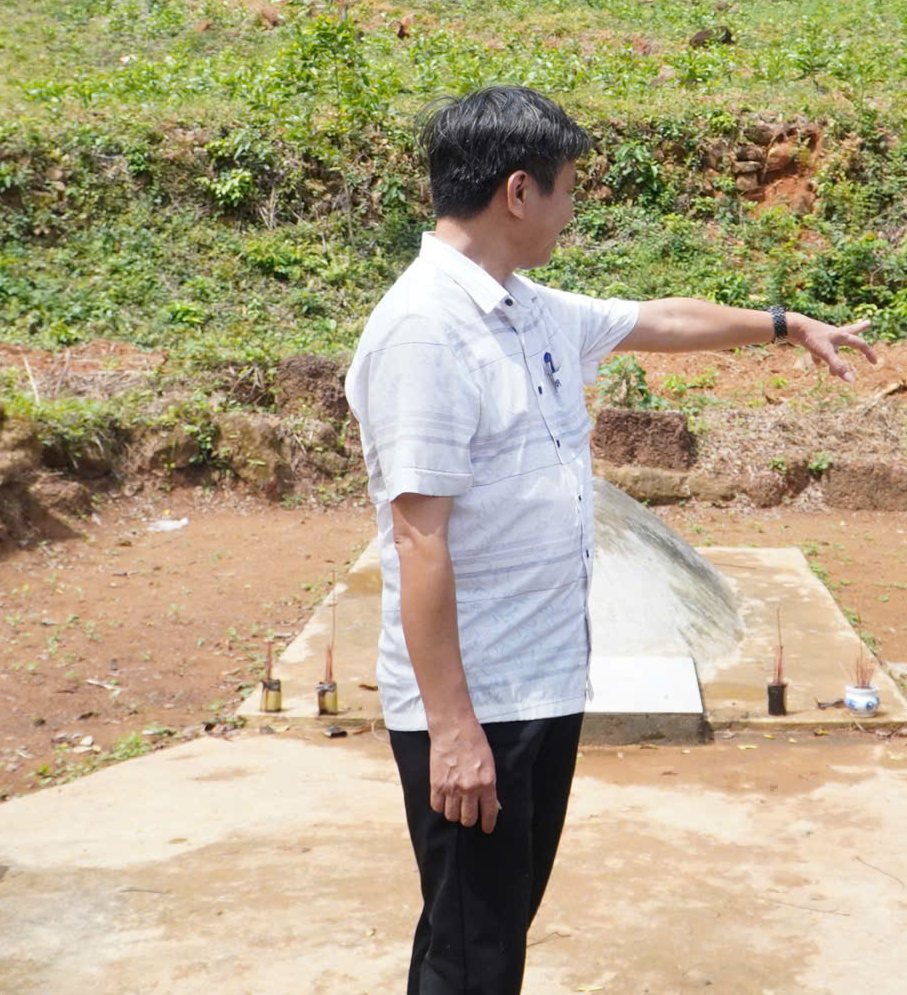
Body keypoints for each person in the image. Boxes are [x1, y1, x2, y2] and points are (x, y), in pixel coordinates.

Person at [347, 84, 878, 995]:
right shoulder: (425, 333)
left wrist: (789, 328)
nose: (572, 209)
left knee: (483, 930)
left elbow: (660, 320)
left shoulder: (529, 308)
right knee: (474, 950)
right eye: (566, 189)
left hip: (542, 684)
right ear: (520, 192)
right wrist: (454, 730)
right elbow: (418, 541)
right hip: (484, 703)